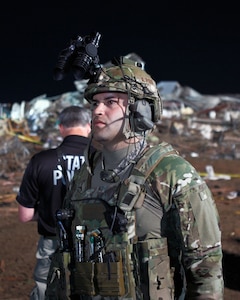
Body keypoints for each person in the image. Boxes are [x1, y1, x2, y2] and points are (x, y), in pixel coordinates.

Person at [55, 58, 224, 299]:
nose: (97, 111)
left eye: (110, 102)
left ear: (141, 111)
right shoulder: (85, 175)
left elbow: (206, 271)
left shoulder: (173, 174)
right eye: (95, 103)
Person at [16, 105, 93, 300]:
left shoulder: (41, 160)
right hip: (94, 243)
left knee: (45, 288)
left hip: (52, 241)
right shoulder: (102, 158)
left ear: (61, 128)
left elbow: (25, 216)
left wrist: (48, 212)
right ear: (89, 126)